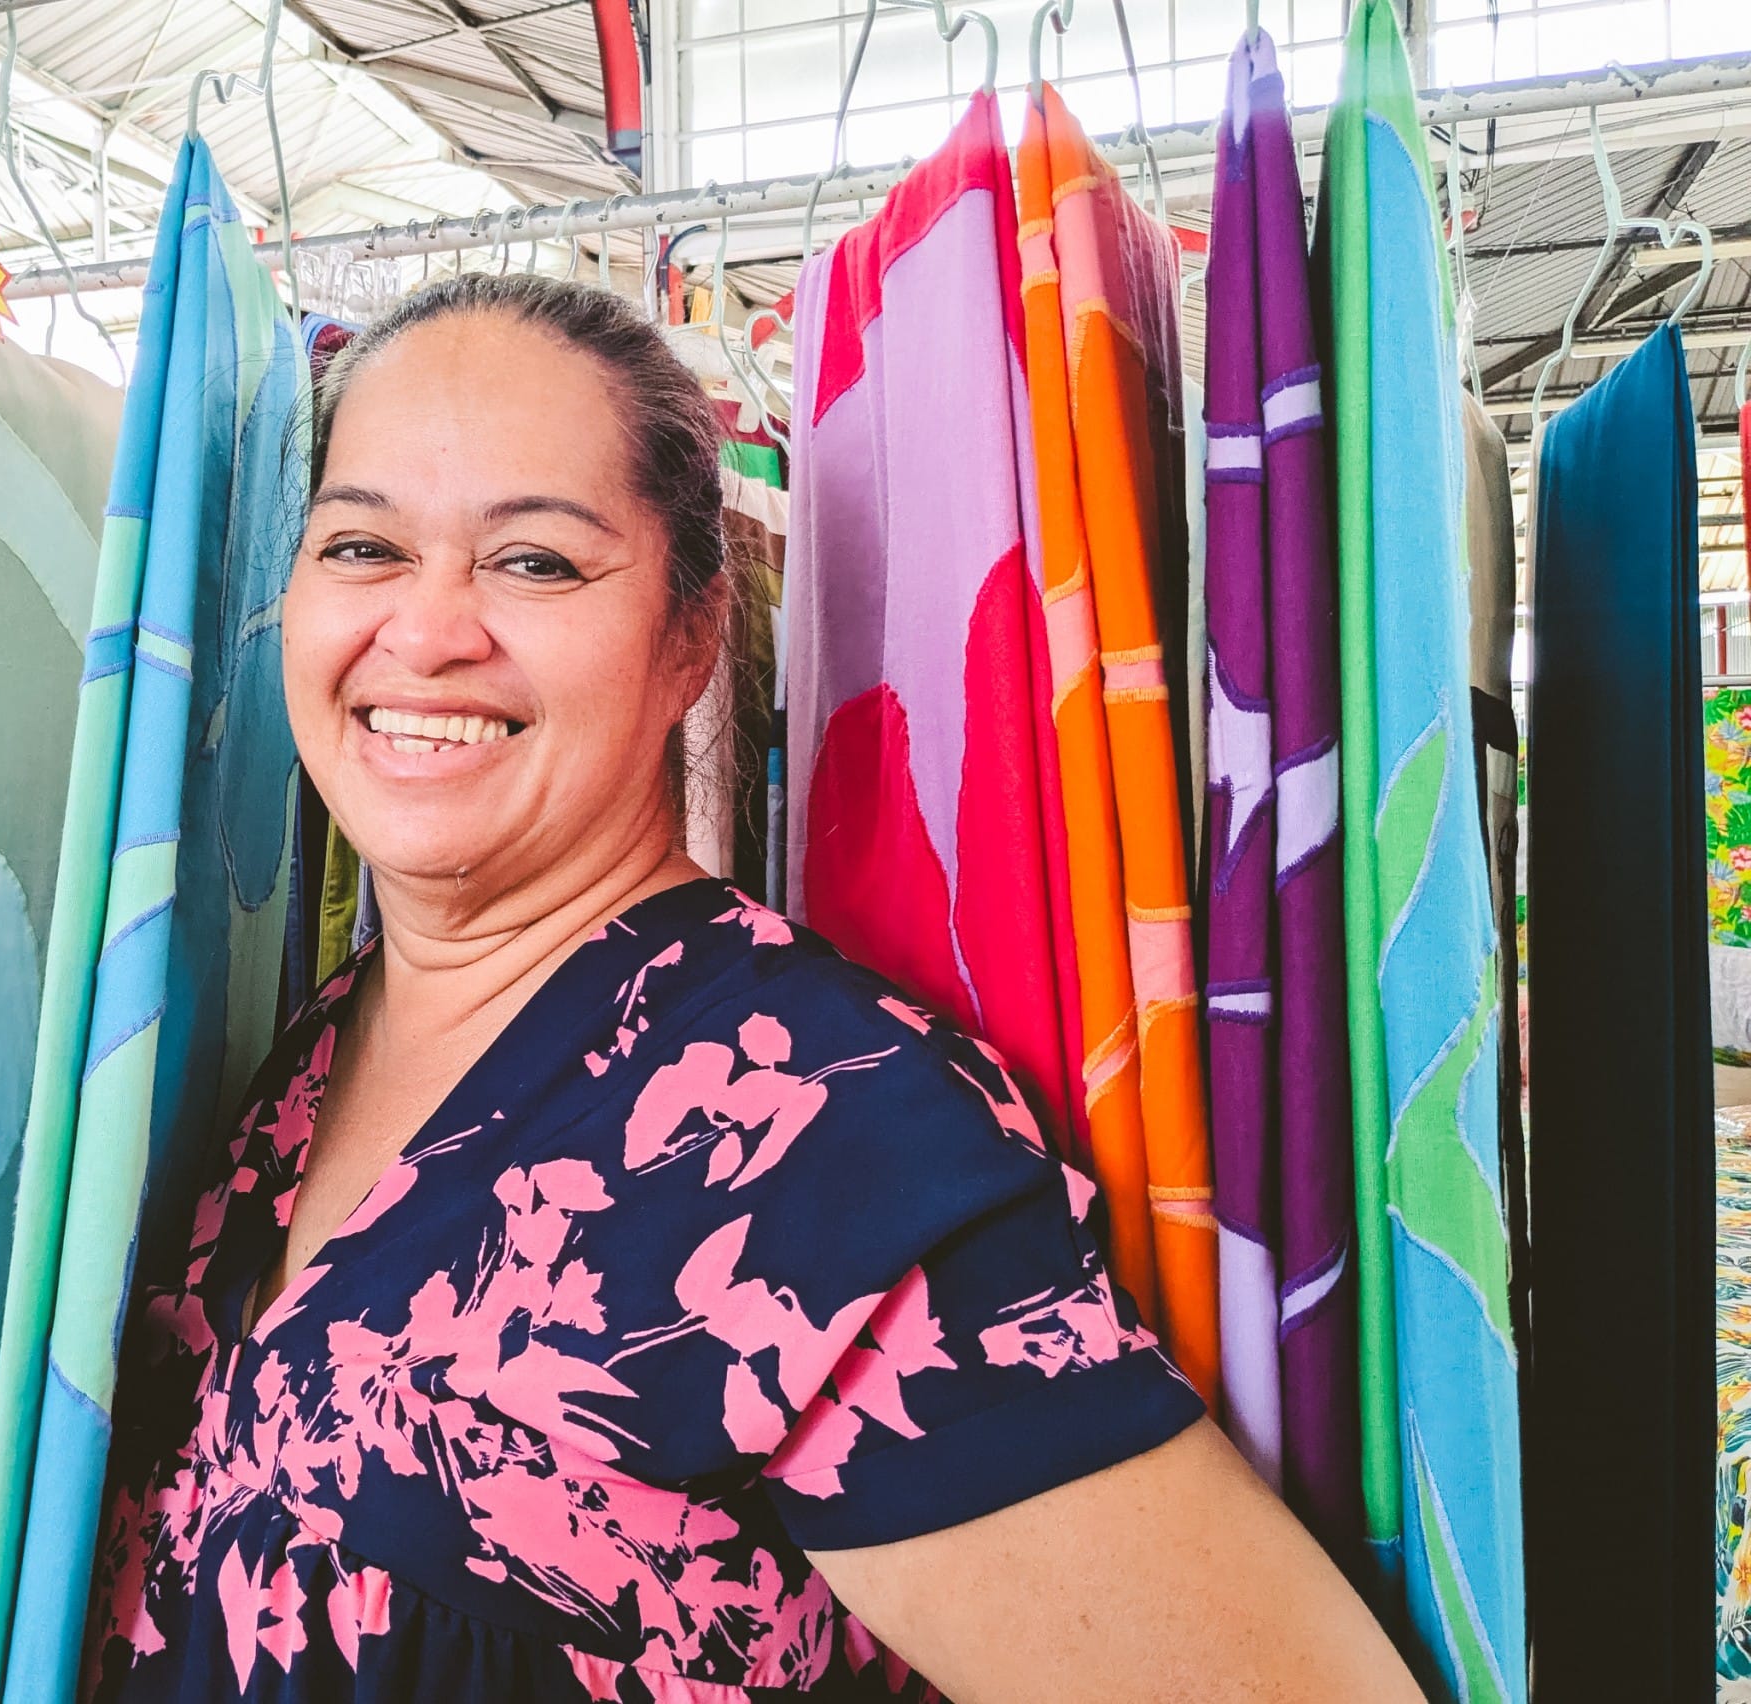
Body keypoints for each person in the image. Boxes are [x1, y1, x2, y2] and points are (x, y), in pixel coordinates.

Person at [84, 272, 1422, 1702]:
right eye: (360, 546)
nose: (426, 632)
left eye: (535, 562)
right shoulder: (289, 1057)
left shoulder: (812, 1131)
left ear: (688, 633)